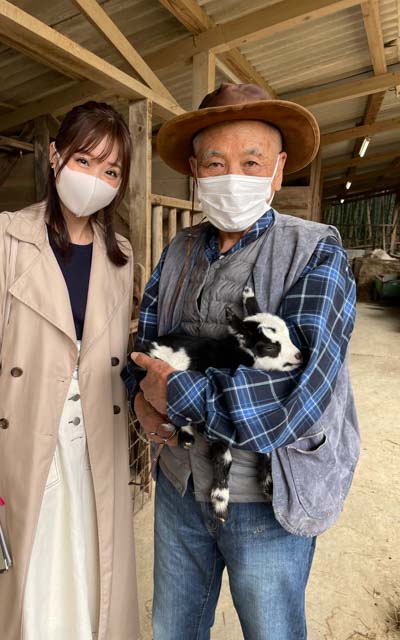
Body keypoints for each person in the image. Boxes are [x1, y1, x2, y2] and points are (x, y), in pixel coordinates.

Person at [122, 83, 360, 640]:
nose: (234, 176)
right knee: (173, 626)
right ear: (195, 171)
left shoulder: (315, 250)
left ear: (277, 172)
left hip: (270, 498)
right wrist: (140, 394)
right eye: (216, 163)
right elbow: (147, 342)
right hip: (181, 488)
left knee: (271, 631)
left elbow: (295, 392)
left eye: (251, 162)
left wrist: (173, 393)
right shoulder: (179, 250)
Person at [0, 102, 140, 640]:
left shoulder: (119, 253)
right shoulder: (7, 236)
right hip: (25, 435)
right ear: (55, 158)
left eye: (111, 170)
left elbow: (112, 357)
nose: (96, 179)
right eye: (85, 159)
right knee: (34, 572)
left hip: (96, 436)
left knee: (94, 567)